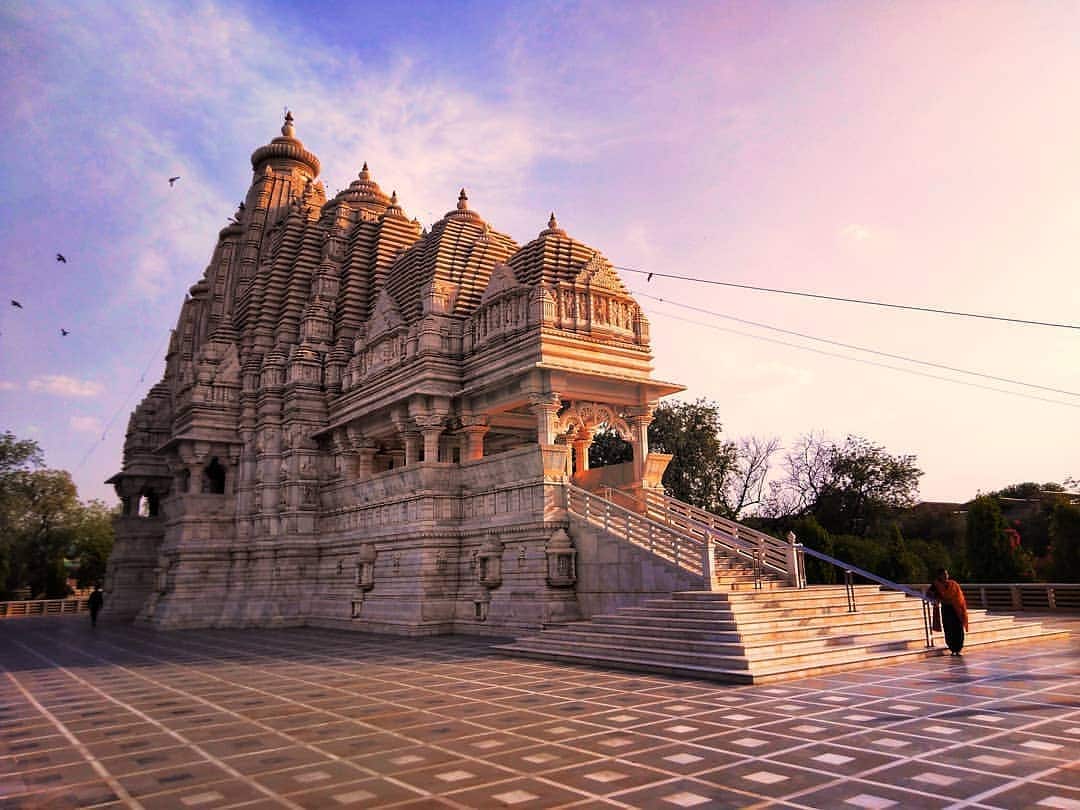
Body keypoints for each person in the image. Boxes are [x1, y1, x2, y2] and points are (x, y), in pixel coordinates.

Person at [926, 568, 968, 655]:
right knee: (949, 629)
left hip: (956, 609)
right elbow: (929, 593)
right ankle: (952, 649)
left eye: (947, 574)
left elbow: (959, 595)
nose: (946, 576)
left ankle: (959, 649)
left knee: (958, 629)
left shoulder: (953, 584)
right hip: (946, 609)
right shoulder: (936, 585)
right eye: (944, 574)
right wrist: (936, 598)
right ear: (939, 576)